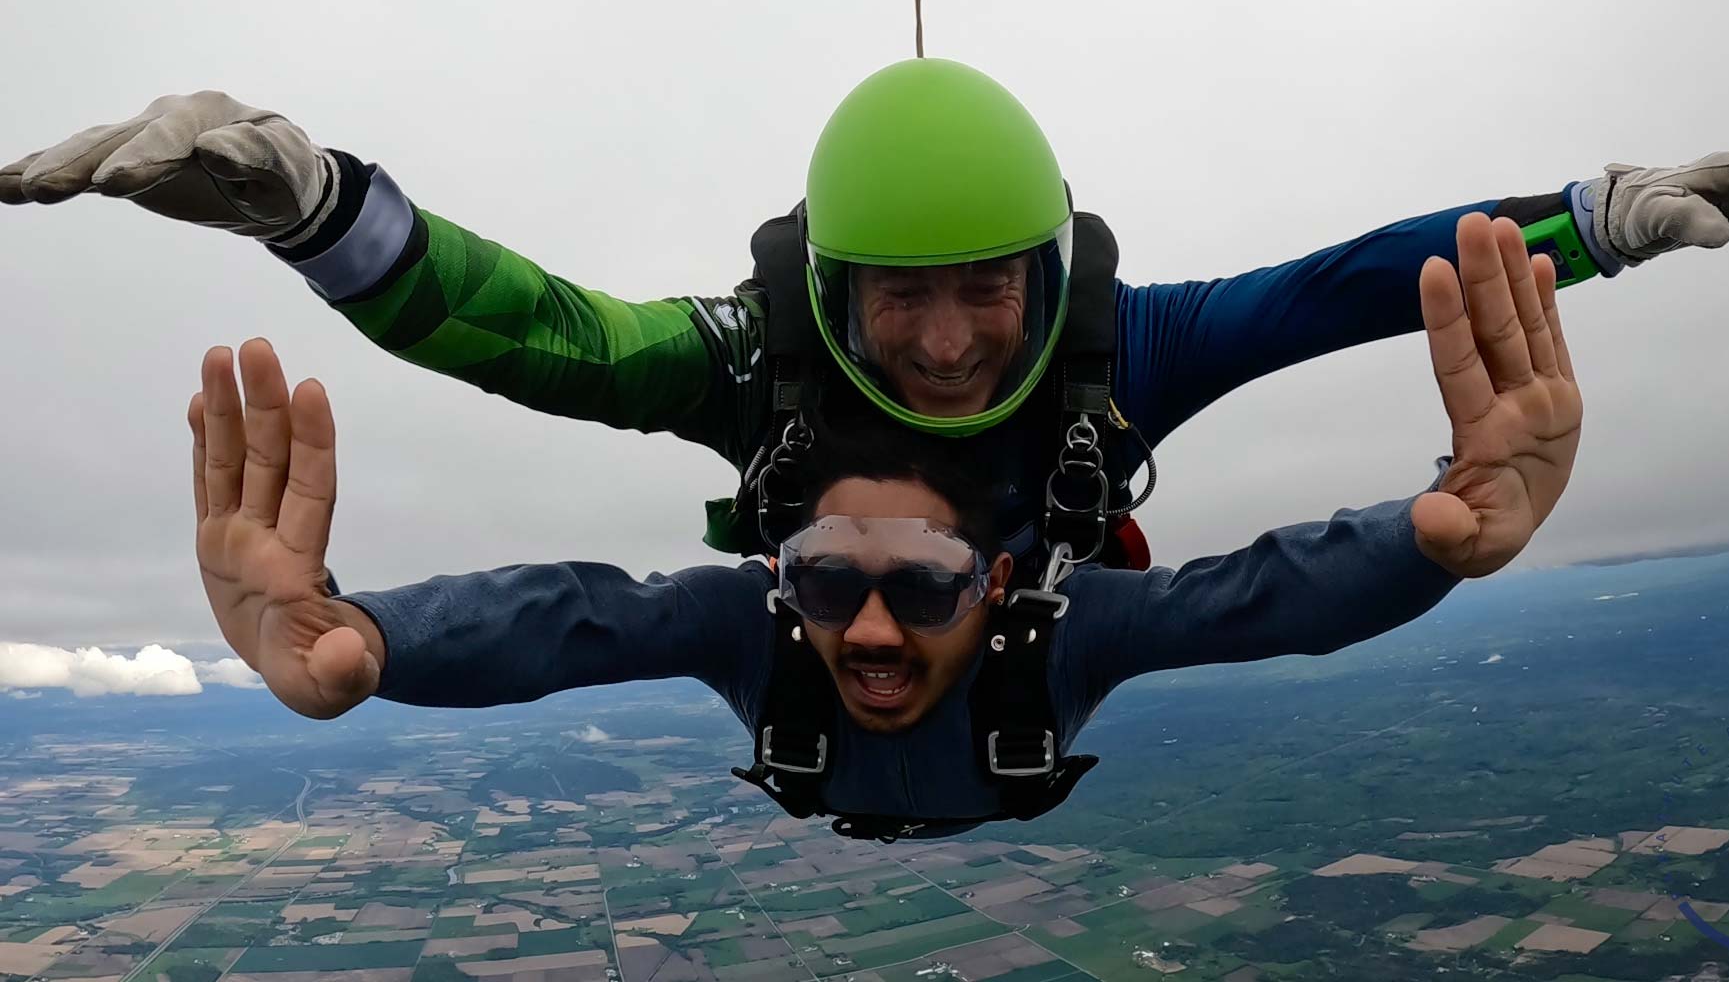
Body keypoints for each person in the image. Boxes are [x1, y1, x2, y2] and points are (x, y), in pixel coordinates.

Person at [2, 63, 1729, 568]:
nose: (960, 341)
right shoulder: (761, 367)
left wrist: (1590, 221)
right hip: (841, 663)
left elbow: (1353, 286)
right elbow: (543, 334)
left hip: (1054, 639)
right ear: (837, 292)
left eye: (990, 291)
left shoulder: (1121, 345)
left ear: (1047, 275)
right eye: (909, 300)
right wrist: (323, 213)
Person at [188, 213, 1581, 837]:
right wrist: (363, 635)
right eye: (822, 576)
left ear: (1003, 580)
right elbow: (570, 617)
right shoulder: (770, 633)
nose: (859, 622)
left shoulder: (1059, 636)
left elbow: (1260, 596)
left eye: (923, 584)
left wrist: (1438, 538)